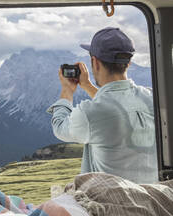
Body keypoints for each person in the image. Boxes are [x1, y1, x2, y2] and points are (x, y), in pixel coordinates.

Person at [47, 27, 158, 184]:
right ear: (128, 62)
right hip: (151, 199)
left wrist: (67, 91)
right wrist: (87, 86)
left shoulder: (90, 113)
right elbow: (115, 104)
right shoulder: (153, 97)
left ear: (95, 62)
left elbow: (59, 127)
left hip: (110, 203)